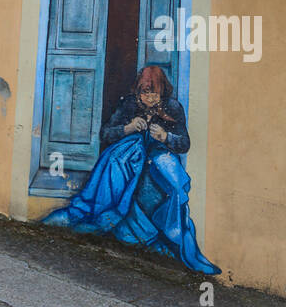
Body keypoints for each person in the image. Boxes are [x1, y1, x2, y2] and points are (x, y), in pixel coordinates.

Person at [43, 65, 220, 275]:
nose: (150, 98)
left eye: (154, 93)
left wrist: (165, 137)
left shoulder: (172, 108)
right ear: (138, 91)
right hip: (130, 163)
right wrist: (127, 129)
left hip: (157, 163)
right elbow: (106, 134)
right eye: (145, 93)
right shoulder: (129, 105)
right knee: (121, 155)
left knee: (167, 175)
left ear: (163, 91)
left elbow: (184, 144)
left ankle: (166, 234)